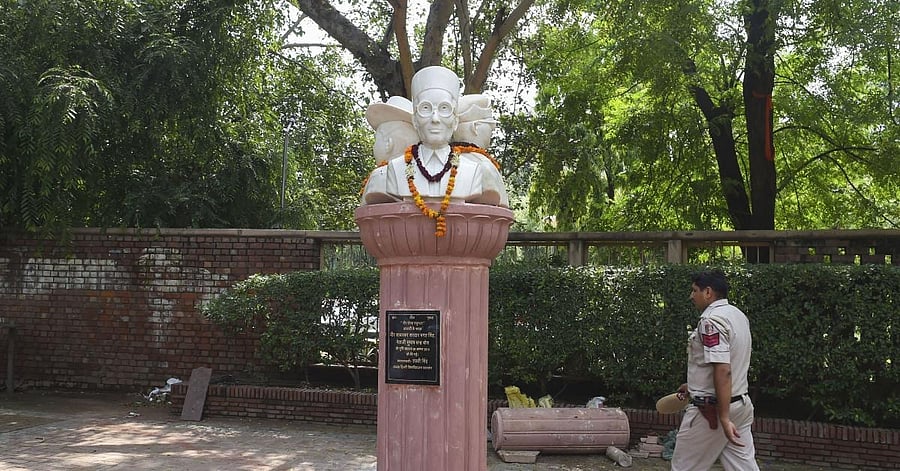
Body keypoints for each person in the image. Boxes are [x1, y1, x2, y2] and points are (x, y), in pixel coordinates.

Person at [361, 66, 508, 208]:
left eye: (444, 109)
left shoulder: (478, 172)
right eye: (426, 108)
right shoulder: (389, 173)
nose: (435, 118)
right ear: (415, 121)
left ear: (455, 121)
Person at [671, 270, 760, 471]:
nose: (691, 296)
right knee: (743, 468)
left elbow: (723, 369)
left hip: (712, 411)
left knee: (684, 467)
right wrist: (694, 385)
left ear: (708, 292)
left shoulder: (710, 321)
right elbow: (729, 362)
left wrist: (724, 417)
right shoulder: (737, 316)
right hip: (741, 405)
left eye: (694, 290)